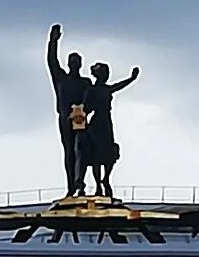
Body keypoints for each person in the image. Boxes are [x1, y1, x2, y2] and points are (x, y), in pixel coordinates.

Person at [78, 60, 140, 200]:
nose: (105, 76)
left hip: (106, 122)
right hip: (96, 122)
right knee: (96, 154)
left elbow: (118, 86)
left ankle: (105, 179)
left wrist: (131, 78)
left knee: (109, 152)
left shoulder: (106, 89)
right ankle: (98, 184)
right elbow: (86, 108)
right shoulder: (91, 90)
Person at [46, 24, 91, 196]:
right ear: (68, 64)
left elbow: (92, 100)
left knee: (79, 150)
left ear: (80, 64)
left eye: (77, 62)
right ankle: (71, 186)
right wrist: (53, 41)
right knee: (68, 152)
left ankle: (80, 184)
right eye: (72, 62)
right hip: (65, 119)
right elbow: (51, 61)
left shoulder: (85, 83)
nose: (74, 64)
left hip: (80, 120)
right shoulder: (61, 78)